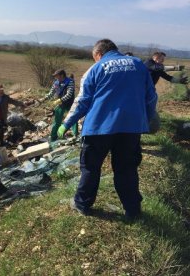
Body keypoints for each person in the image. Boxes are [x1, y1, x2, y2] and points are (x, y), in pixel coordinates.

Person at [58, 39, 157, 218]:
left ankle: (82, 205)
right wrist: (145, 120)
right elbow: (151, 98)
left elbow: (82, 101)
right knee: (126, 169)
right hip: (130, 128)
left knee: (90, 168)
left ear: (98, 54)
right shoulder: (139, 65)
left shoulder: (95, 69)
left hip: (98, 128)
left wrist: (66, 123)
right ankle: (133, 210)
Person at [144, 52, 188, 133]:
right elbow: (156, 67)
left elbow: (167, 77)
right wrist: (175, 68)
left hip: (149, 90)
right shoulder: (148, 63)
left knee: (149, 107)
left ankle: (146, 124)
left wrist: (179, 81)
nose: (163, 61)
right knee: (147, 107)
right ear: (156, 58)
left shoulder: (158, 68)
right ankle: (145, 126)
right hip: (142, 90)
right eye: (162, 59)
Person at [41, 69, 78, 141]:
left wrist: (60, 100)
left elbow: (69, 94)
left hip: (70, 103)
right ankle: (53, 137)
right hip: (61, 104)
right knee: (57, 121)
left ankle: (75, 135)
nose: (55, 78)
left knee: (73, 119)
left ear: (62, 75)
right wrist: (44, 98)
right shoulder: (56, 83)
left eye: (56, 76)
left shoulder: (69, 82)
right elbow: (51, 93)